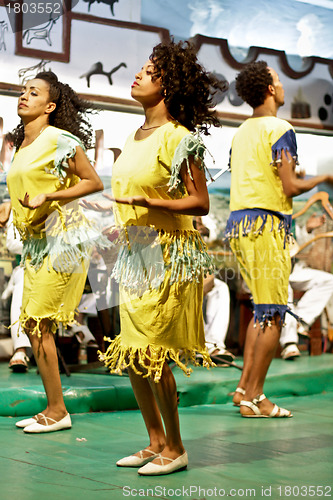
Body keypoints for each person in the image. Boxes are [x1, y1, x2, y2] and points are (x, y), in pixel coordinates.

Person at [85, 40, 227, 475]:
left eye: (150, 71)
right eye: (142, 69)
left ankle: (177, 448)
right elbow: (135, 199)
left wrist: (147, 202)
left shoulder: (181, 138)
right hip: (136, 253)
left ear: (169, 85)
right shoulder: (134, 135)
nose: (139, 74)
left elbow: (200, 202)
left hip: (169, 254)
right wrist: (120, 217)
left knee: (155, 351)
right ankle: (154, 441)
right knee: (133, 351)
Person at [225, 61, 333, 417]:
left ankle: (243, 390)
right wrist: (323, 179)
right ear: (270, 90)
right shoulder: (280, 128)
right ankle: (257, 397)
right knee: (273, 313)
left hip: (240, 225)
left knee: (263, 311)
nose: (282, 84)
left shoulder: (242, 131)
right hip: (266, 226)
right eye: (278, 79)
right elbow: (290, 187)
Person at [0, 71, 106, 433]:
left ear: (50, 105)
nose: (24, 96)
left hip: (64, 237)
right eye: (23, 91)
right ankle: (54, 407)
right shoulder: (22, 145)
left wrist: (51, 197)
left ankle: (59, 411)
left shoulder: (60, 139)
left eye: (34, 93)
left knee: (37, 321)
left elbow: (94, 182)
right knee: (32, 324)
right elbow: (30, 187)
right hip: (36, 241)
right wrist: (10, 207)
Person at [280, 214, 333, 359]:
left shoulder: (289, 221)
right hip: (269, 273)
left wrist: (308, 230)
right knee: (285, 289)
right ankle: (289, 343)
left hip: (293, 270)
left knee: (328, 280)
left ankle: (300, 320)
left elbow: (301, 249)